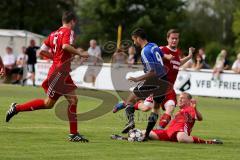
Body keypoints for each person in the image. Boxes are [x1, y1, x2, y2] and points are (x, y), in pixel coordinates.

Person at [5, 11, 89, 142]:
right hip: (58, 74)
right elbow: (66, 46)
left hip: (62, 73)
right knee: (50, 103)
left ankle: (74, 134)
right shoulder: (68, 32)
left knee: (67, 101)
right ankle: (16, 108)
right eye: (74, 22)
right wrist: (80, 53)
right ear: (73, 21)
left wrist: (55, 57)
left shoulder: (53, 34)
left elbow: (41, 51)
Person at [113, 29, 194, 131]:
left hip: (167, 87)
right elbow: (154, 68)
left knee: (170, 107)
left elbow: (177, 63)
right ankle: (127, 104)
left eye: (176, 38)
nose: (174, 40)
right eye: (172, 38)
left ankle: (157, 130)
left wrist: (189, 56)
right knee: (147, 107)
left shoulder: (176, 53)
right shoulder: (160, 48)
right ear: (167, 39)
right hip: (158, 82)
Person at [117, 28, 171, 140]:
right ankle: (146, 135)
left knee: (130, 100)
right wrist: (169, 57)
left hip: (154, 80)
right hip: (164, 80)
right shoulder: (154, 45)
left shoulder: (144, 51)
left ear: (138, 38)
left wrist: (137, 79)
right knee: (156, 108)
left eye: (134, 40)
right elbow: (162, 56)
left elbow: (152, 72)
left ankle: (130, 122)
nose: (134, 43)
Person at [148, 92, 223, 144]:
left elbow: (200, 118)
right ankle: (137, 134)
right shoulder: (180, 111)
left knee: (181, 138)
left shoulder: (190, 108)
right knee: (147, 133)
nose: (179, 100)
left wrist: (195, 108)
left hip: (179, 133)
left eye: (182, 98)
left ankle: (208, 142)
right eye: (179, 98)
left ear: (189, 101)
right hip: (168, 133)